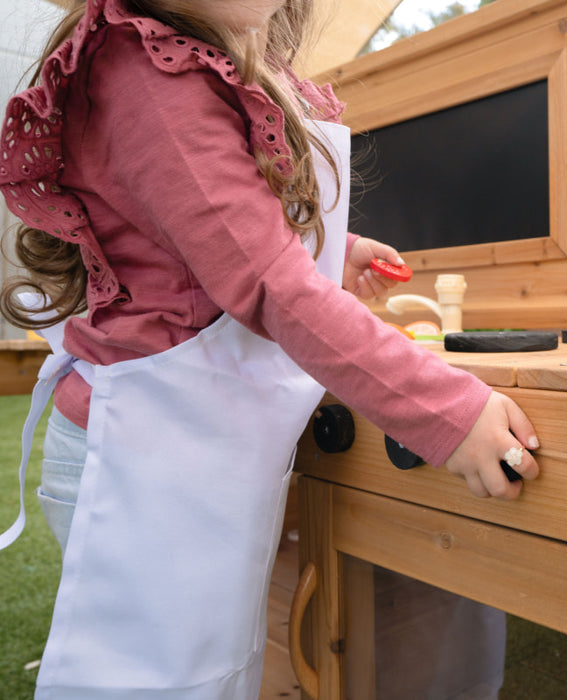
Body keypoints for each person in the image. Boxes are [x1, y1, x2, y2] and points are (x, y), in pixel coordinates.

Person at [0, 0, 539, 697]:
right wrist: (447, 412)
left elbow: (206, 233)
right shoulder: (144, 68)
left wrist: (328, 250)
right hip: (143, 457)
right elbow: (262, 280)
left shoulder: (211, 57)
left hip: (191, 448)